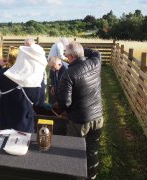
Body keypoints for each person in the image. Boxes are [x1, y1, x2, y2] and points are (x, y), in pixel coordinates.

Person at [54, 41, 103, 179]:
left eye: (66, 54)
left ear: (70, 56)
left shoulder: (68, 74)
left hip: (79, 121)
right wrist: (81, 50)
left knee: (74, 152)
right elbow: (95, 52)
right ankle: (91, 175)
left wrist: (59, 105)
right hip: (98, 116)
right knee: (92, 150)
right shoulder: (96, 62)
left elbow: (65, 102)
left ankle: (75, 176)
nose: (65, 57)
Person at [0, 44, 47, 132]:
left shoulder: (6, 73)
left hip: (5, 122)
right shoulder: (38, 80)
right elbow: (39, 103)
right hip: (25, 126)